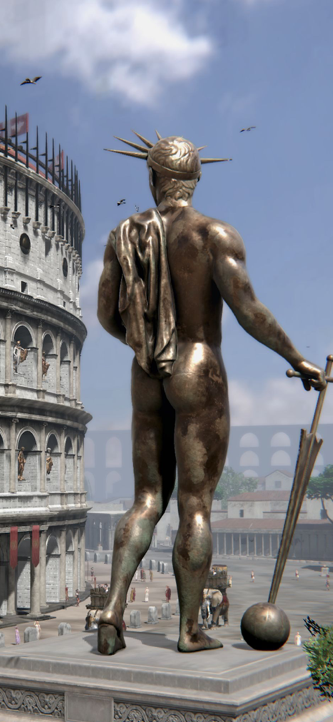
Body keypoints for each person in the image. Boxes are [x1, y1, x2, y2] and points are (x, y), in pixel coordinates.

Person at [96, 132, 324, 656]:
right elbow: (248, 311)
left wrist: (146, 341)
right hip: (198, 369)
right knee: (195, 505)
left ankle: (111, 607)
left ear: (152, 179)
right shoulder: (212, 234)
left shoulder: (122, 237)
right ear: (195, 179)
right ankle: (187, 630)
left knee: (145, 499)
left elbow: (108, 315)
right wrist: (296, 358)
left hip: (145, 369)